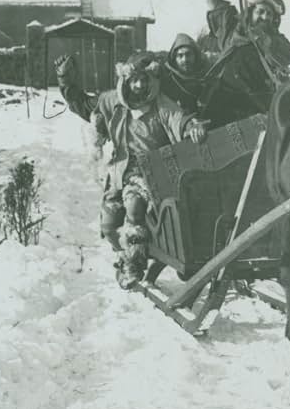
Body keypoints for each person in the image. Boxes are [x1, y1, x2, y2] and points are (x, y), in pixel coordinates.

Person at [54, 51, 206, 289]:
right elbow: (83, 105)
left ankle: (134, 264)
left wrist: (191, 126)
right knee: (109, 225)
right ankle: (127, 252)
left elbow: (178, 119)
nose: (139, 86)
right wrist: (65, 81)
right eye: (134, 80)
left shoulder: (159, 104)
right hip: (119, 172)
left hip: (151, 171)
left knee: (134, 208)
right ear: (125, 80)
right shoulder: (112, 102)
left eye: (144, 80)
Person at [157, 33, 209, 116]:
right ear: (174, 58)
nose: (185, 60)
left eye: (188, 54)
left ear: (195, 55)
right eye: (180, 56)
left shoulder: (206, 74)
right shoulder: (168, 78)